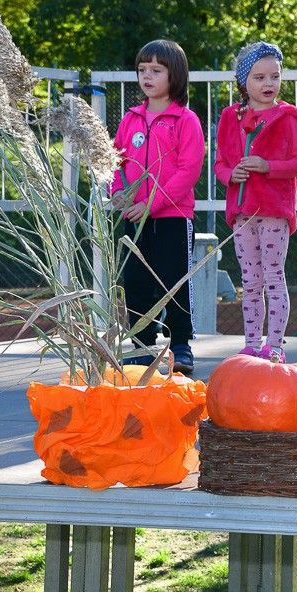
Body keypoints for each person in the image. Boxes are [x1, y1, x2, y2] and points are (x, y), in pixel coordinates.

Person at [214, 41, 297, 363]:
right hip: (242, 213)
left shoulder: (288, 118)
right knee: (249, 281)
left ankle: (276, 345)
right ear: (244, 82)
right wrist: (231, 174)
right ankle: (251, 343)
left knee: (273, 276)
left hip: (273, 212)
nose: (268, 84)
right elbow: (218, 164)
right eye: (259, 78)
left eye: (274, 76)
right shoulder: (230, 117)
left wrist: (267, 167)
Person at [110, 39, 205, 374]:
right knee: (135, 282)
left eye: (156, 70)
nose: (147, 76)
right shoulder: (130, 120)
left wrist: (151, 204)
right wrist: (119, 192)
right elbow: (115, 163)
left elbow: (188, 171)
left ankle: (180, 344)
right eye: (142, 69)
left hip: (172, 219)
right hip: (134, 219)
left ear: (174, 75)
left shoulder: (185, 120)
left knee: (173, 281)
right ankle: (142, 345)